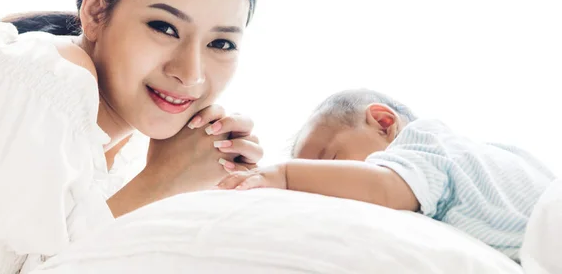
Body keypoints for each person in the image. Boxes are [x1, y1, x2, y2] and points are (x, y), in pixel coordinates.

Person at [0, 0, 263, 274]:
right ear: (96, 9)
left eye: (221, 42)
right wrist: (161, 182)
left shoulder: (123, 148)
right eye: (164, 27)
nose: (190, 73)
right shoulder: (37, 87)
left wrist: (201, 188)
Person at [217, 88, 555, 261]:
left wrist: (285, 175)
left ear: (383, 123)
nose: (319, 185)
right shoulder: (493, 160)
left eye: (331, 161)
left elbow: (385, 187)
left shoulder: (423, 144)